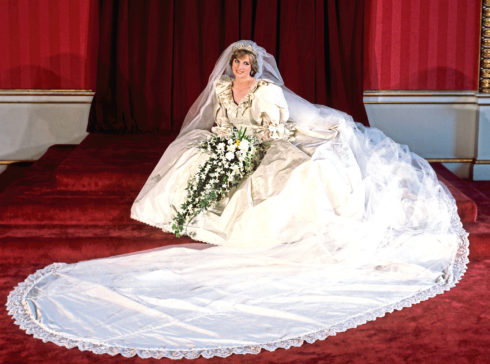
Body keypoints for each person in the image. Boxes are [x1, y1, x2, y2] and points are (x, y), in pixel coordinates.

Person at [7, 41, 469, 360]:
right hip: (244, 139)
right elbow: (223, 122)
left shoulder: (269, 92)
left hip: (289, 130)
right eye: (236, 65)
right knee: (194, 154)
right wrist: (224, 144)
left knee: (294, 171)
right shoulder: (225, 90)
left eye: (247, 64)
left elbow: (275, 129)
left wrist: (249, 146)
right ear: (231, 68)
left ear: (256, 67)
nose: (241, 70)